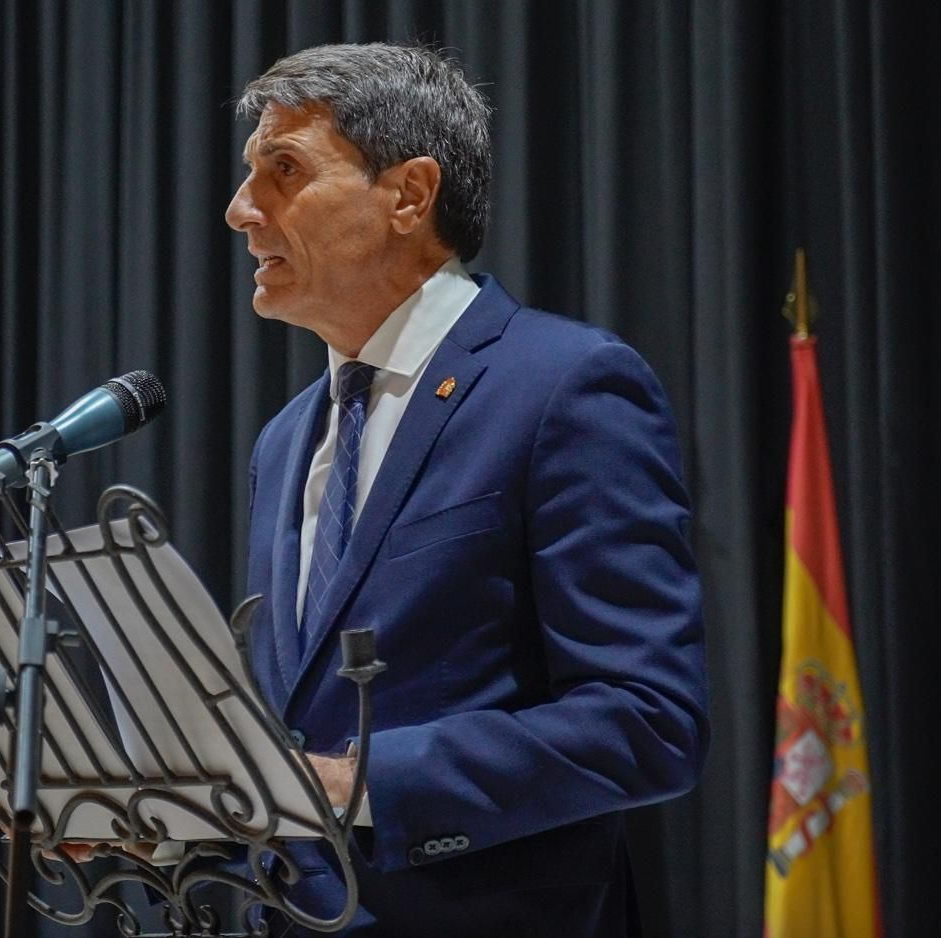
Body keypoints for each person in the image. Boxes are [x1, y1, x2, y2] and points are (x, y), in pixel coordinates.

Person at [228, 43, 709, 936]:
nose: (241, 211)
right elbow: (290, 747)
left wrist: (358, 782)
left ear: (409, 195)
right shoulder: (287, 437)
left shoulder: (565, 385)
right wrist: (158, 821)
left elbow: (648, 722)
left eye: (283, 172)